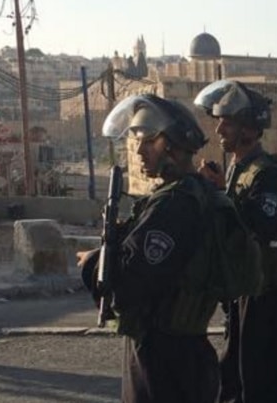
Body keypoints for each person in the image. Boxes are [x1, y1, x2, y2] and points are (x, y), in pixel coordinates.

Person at [76, 94, 220, 403]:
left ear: (171, 144)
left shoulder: (174, 205)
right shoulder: (196, 194)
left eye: (147, 140)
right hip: (184, 351)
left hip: (164, 356)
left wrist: (93, 263)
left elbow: (129, 285)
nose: (139, 149)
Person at [194, 80, 277, 403]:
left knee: (259, 388)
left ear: (250, 130)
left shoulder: (270, 174)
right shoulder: (242, 169)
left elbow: (258, 227)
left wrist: (219, 197)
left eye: (227, 122)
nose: (219, 129)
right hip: (244, 295)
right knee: (233, 383)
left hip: (267, 300)